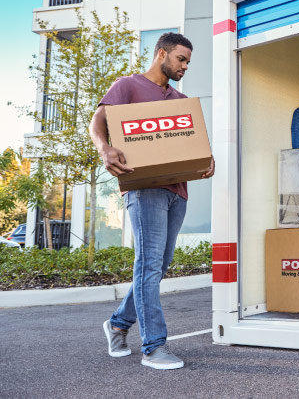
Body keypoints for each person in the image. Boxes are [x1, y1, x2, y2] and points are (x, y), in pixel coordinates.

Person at [89, 32, 214, 370]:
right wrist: (105, 149)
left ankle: (117, 324)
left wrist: (205, 161)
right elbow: (97, 123)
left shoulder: (180, 100)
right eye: (181, 59)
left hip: (177, 191)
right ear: (162, 54)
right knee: (148, 264)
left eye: (188, 61)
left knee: (158, 266)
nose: (185, 66)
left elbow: (187, 144)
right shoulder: (128, 86)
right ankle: (154, 348)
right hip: (143, 189)